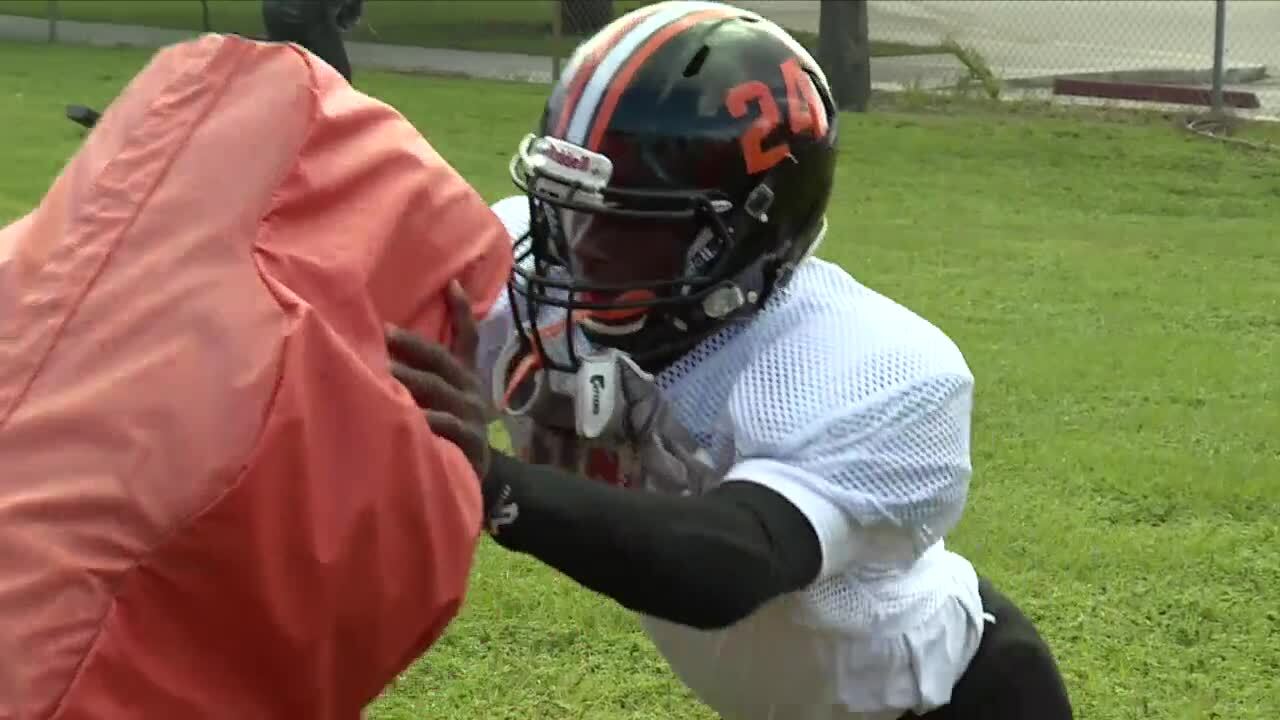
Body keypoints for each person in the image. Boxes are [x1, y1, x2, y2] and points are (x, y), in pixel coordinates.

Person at [387, 1, 1074, 718]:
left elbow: (726, 565)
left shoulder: (871, 366)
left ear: (743, 237)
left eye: (629, 225)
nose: (582, 249)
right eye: (573, 208)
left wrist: (497, 482)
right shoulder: (528, 261)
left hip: (952, 704)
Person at [261, 0, 364, 81]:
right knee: (339, 76)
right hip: (309, 8)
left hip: (273, 7)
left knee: (283, 72)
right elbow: (347, 17)